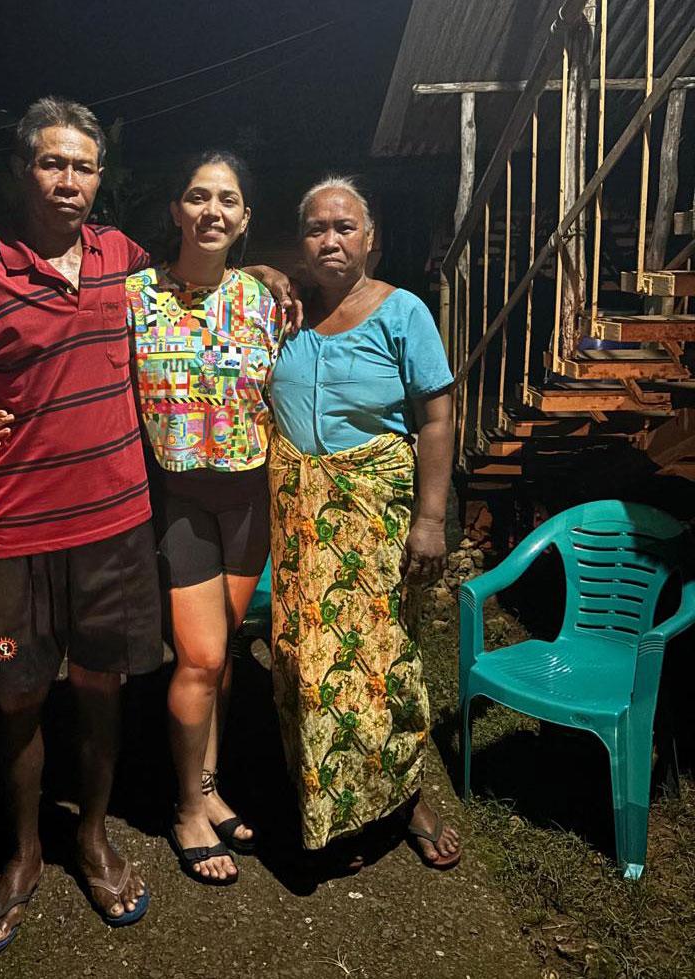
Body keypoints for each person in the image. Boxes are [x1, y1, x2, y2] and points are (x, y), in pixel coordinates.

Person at [0, 96, 163, 953]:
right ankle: (27, 851)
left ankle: (94, 836)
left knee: (102, 687)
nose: (68, 181)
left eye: (84, 166)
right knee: (20, 697)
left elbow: (202, 283)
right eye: (52, 163)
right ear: (21, 170)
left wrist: (278, 275)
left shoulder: (126, 261)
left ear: (100, 179)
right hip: (18, 530)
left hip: (114, 525)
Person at [267, 176, 462, 869]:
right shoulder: (284, 314)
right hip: (298, 518)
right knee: (302, 662)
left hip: (374, 515)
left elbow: (436, 418)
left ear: (370, 239)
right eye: (317, 228)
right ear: (301, 242)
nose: (331, 239)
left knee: (379, 661)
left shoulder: (402, 312)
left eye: (345, 227)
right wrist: (263, 272)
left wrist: (431, 519)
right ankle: (334, 806)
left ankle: (403, 795)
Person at [127, 151, 280, 885]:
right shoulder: (135, 297)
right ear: (176, 211)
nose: (213, 210)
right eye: (198, 196)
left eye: (228, 199)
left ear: (245, 218)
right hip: (181, 498)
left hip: (249, 499)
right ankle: (187, 807)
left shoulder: (267, 299)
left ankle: (212, 787)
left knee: (219, 664)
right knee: (200, 658)